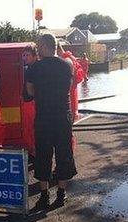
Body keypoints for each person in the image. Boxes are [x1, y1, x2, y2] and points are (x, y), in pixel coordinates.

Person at [26, 34, 78, 210]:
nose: (37, 49)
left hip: (44, 117)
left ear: (43, 46)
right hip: (63, 115)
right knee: (64, 154)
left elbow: (29, 93)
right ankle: (61, 194)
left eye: (39, 46)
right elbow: (70, 86)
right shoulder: (67, 66)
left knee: (43, 155)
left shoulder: (34, 68)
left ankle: (44, 195)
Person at [57, 43, 84, 122]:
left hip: (68, 91)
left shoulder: (65, 61)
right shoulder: (71, 58)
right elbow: (80, 76)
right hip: (72, 90)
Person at [22, 44, 39, 157]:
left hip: (30, 103)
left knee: (30, 127)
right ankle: (34, 149)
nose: (25, 57)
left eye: (27, 55)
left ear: (34, 56)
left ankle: (33, 150)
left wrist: (32, 99)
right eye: (24, 55)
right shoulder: (35, 67)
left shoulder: (31, 69)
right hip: (30, 102)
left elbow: (30, 89)